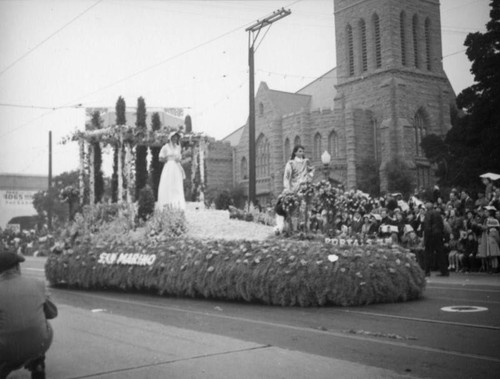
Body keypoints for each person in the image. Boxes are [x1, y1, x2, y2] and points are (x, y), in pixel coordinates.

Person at [0, 251, 58, 379]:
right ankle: (38, 364)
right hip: (37, 346)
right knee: (44, 324)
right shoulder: (37, 284)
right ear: (17, 267)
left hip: (5, 351)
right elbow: (52, 313)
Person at [157, 131, 186, 211]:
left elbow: (180, 157)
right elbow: (160, 158)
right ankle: (166, 203)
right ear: (170, 138)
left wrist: (178, 159)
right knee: (168, 183)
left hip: (176, 167)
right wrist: (167, 159)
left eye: (176, 137)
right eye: (173, 137)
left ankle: (177, 203)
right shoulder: (165, 147)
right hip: (169, 167)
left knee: (176, 184)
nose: (175, 139)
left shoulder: (178, 147)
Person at [423, 201, 448, 277]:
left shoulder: (428, 214)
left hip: (431, 236)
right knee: (440, 253)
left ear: (427, 208)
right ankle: (444, 271)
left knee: (428, 254)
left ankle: (427, 271)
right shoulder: (438, 214)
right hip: (439, 235)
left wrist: (426, 239)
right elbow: (441, 225)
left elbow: (427, 228)